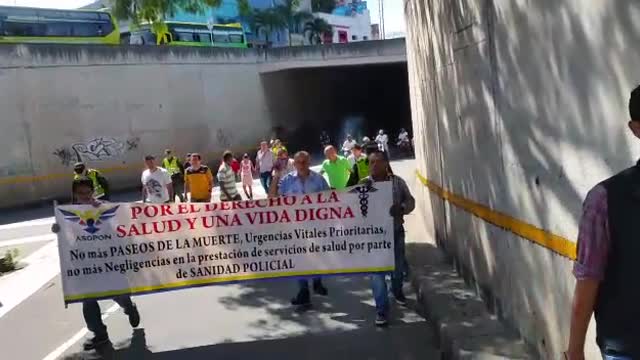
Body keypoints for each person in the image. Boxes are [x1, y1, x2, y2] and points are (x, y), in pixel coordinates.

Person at [566, 86, 640, 360]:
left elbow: (588, 281)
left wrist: (574, 352)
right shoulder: (605, 200)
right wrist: (575, 351)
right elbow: (588, 281)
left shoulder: (604, 198)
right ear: (636, 129)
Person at [52, 178, 140, 350]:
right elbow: (64, 233)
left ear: (93, 191)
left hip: (108, 260)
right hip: (84, 262)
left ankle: (129, 307)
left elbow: (120, 228)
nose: (84, 196)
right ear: (74, 194)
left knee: (118, 292)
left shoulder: (104, 208)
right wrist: (57, 229)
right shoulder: (68, 212)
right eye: (80, 193)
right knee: (88, 299)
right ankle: (100, 334)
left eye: (87, 192)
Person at [363, 150, 415, 326]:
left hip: (395, 233)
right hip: (373, 239)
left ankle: (397, 290)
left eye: (377, 162)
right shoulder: (363, 186)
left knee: (397, 270)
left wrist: (400, 208)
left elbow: (410, 202)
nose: (373, 166)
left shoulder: (397, 183)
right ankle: (381, 310)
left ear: (386, 164)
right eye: (371, 162)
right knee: (376, 275)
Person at [278, 151, 330, 309]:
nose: (301, 165)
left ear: (309, 162)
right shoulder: (287, 181)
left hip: (316, 227)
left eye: (304, 162)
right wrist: (275, 177)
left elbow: (330, 200)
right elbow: (275, 201)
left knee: (317, 255)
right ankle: (303, 291)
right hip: (295, 228)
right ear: (294, 164)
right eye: (298, 162)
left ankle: (317, 280)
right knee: (299, 258)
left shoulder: (319, 180)